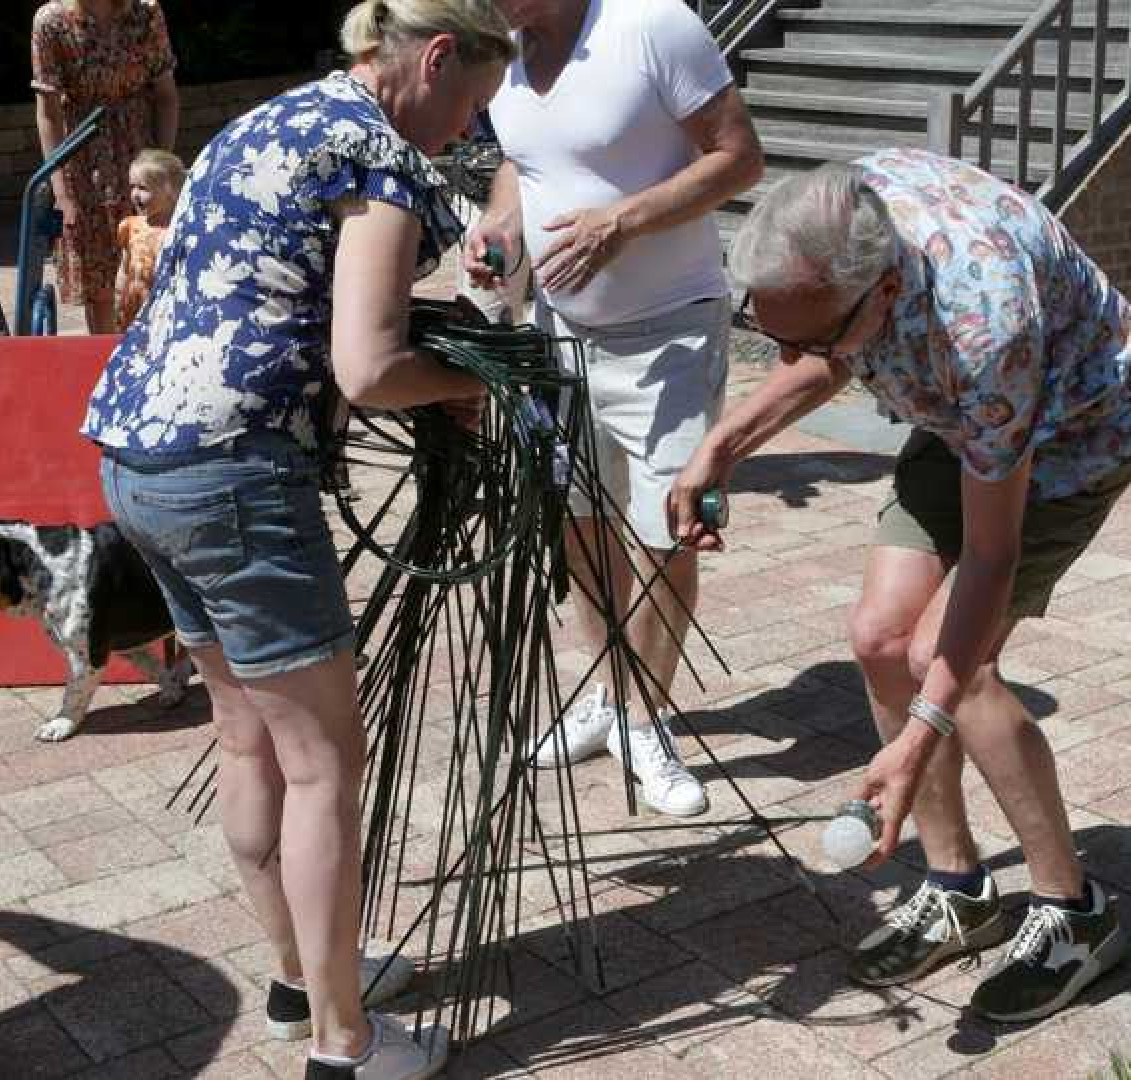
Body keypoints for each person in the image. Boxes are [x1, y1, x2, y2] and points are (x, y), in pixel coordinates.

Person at [81, 3, 513, 1077]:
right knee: (323, 769)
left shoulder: (269, 121)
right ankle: (345, 1047)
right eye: (466, 107)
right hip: (235, 480)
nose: (460, 134)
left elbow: (279, 298)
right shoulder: (375, 154)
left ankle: (298, 980)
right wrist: (475, 377)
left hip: (138, 462)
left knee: (246, 739)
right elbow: (367, 368)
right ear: (435, 56)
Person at [669, 150, 1131, 1023]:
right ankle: (960, 889)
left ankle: (1075, 914)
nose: (788, 356)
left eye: (809, 338)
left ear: (886, 293)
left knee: (949, 660)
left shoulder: (986, 326)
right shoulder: (838, 212)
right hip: (959, 413)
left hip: (1072, 431)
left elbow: (990, 557)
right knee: (878, 639)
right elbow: (830, 358)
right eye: (769, 333)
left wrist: (918, 736)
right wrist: (721, 445)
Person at [467, 0, 762, 817]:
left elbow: (740, 157)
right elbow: (519, 164)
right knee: (580, 518)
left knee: (667, 528)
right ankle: (603, 695)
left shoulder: (651, 24)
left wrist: (622, 221)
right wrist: (498, 230)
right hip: (560, 330)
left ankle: (647, 719)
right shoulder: (508, 54)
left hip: (670, 330)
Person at [32, 0, 180, 335]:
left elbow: (166, 96)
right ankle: (106, 368)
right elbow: (49, 112)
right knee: (97, 283)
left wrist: (160, 173)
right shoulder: (52, 21)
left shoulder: (145, 14)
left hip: (138, 158)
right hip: (83, 165)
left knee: (149, 265)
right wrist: (61, 192)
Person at [114, 147, 185, 330]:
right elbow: (125, 265)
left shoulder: (179, 230)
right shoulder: (129, 226)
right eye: (133, 186)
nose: (135, 194)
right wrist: (119, 293)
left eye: (143, 188)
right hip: (134, 309)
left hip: (166, 309)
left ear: (171, 192)